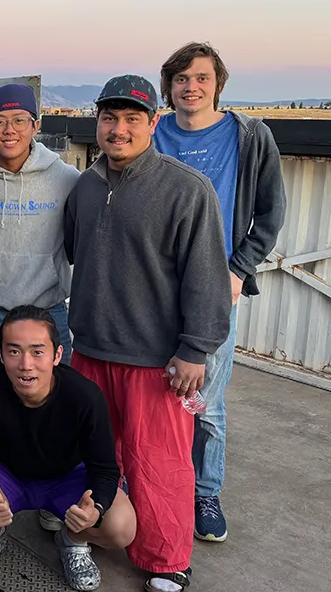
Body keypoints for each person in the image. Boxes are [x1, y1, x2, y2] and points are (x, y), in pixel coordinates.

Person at [64, 75, 232, 592]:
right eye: (110, 119)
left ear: (153, 123)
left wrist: (195, 348)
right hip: (90, 351)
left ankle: (166, 559)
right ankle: (90, 534)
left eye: (132, 119)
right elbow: (76, 253)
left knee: (159, 463)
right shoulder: (85, 187)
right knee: (96, 454)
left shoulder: (186, 189)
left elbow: (207, 275)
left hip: (159, 361)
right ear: (98, 123)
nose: (119, 130)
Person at [154, 42, 286, 542]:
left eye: (201, 78)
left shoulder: (249, 136)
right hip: (156, 287)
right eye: (181, 78)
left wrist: (239, 269)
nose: (191, 87)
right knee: (149, 390)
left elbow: (271, 213)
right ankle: (147, 481)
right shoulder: (152, 132)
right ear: (169, 86)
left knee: (204, 398)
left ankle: (204, 491)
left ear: (218, 85)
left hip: (217, 286)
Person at [0, 305, 135, 591]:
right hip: (6, 475)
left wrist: (95, 508)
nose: (26, 364)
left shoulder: (85, 396)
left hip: (66, 478)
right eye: (14, 351)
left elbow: (105, 468)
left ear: (57, 355)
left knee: (121, 526)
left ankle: (73, 540)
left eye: (38, 351)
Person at [0, 83, 79, 376]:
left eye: (19, 120)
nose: (9, 130)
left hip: (49, 312)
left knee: (54, 402)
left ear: (35, 125)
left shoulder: (67, 179)